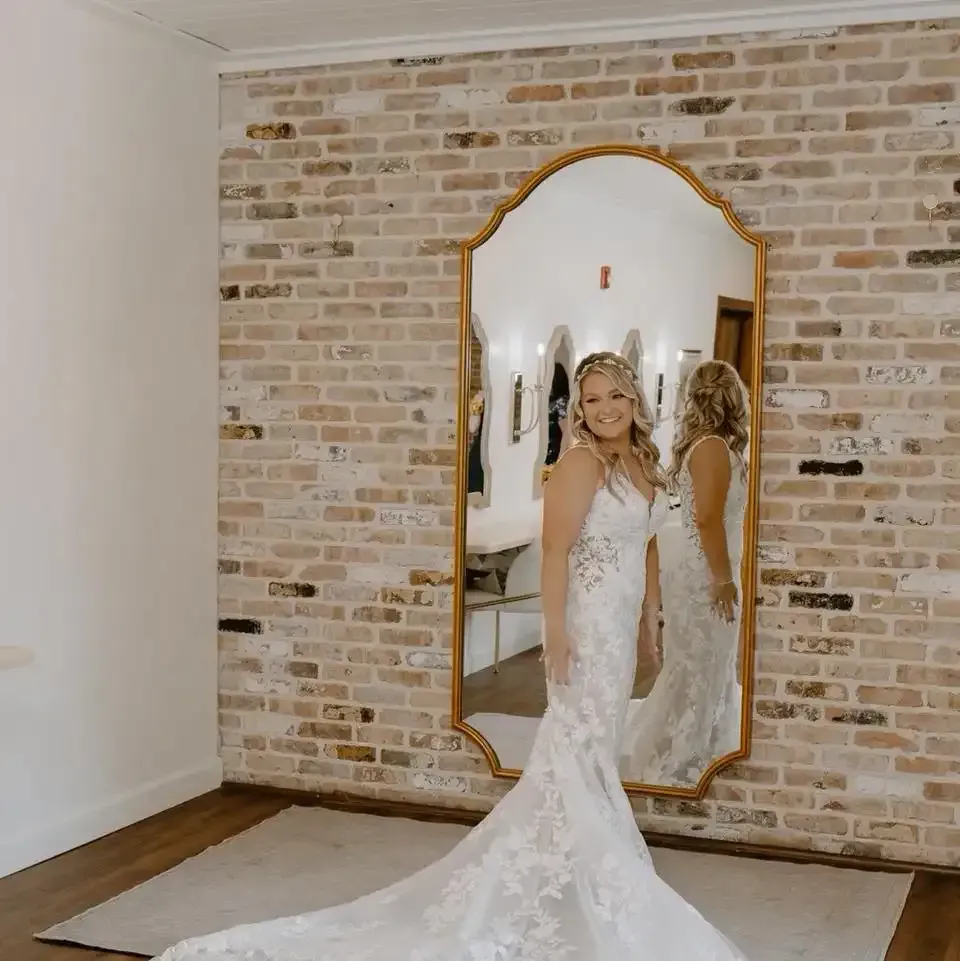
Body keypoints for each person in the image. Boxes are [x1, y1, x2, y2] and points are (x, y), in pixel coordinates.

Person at [153, 352, 749, 961]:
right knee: (578, 745)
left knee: (597, 744)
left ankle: (574, 869)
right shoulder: (579, 463)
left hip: (620, 629)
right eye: (591, 399)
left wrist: (650, 616)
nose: (605, 410)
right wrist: (555, 631)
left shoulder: (643, 461)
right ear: (579, 409)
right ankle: (595, 873)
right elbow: (553, 551)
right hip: (588, 626)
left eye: (615, 396)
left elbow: (646, 544)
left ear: (634, 399)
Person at [621, 358, 750, 787]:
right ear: (734, 397)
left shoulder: (711, 445)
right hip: (707, 579)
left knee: (707, 669)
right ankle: (680, 763)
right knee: (699, 670)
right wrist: (724, 580)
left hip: (708, 572)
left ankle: (702, 753)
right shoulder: (712, 447)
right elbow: (708, 519)